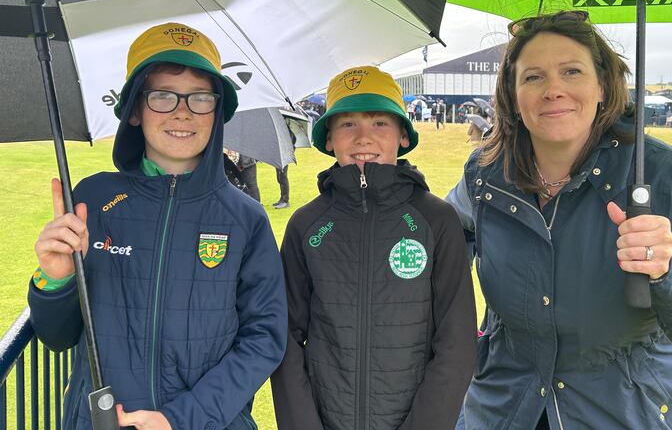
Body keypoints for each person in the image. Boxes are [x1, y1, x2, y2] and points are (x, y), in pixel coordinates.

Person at [445, 11, 672, 430]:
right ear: (512, 96)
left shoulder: (666, 174)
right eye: (532, 77)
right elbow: (441, 245)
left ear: (602, 85)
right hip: (502, 409)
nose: (553, 90)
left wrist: (668, 269)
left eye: (571, 71)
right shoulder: (484, 173)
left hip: (624, 413)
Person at [28, 22, 288, 430]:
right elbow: (58, 336)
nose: (183, 112)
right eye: (163, 96)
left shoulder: (246, 218)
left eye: (200, 98)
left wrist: (179, 419)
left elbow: (264, 338)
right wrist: (56, 280)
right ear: (134, 109)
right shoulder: (92, 200)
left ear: (217, 111)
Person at [271, 65, 476, 430]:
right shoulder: (306, 225)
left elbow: (456, 343)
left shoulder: (436, 220)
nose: (364, 137)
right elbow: (284, 337)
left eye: (380, 122)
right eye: (348, 124)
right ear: (329, 137)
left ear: (402, 134)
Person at [273, 125, 296, 209]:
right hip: (279, 157)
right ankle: (282, 198)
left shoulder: (286, 131)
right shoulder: (282, 130)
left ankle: (285, 201)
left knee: (282, 177)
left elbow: (290, 144)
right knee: (279, 178)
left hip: (284, 157)